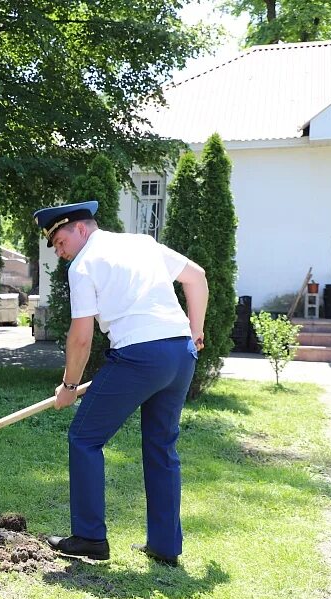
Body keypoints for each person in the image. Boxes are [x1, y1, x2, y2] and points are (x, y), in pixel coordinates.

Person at [37, 201, 208, 566]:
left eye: (60, 239)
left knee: (84, 438)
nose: (58, 250)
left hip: (139, 355)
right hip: (179, 354)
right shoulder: (142, 244)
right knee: (161, 447)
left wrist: (68, 388)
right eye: (53, 245)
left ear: (81, 228)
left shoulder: (84, 265)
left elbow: (81, 337)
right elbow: (196, 276)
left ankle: (89, 538)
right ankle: (164, 546)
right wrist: (195, 332)